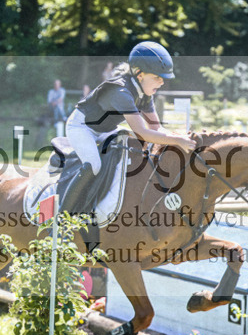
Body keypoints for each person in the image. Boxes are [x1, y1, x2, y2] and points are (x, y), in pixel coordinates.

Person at [62, 41, 196, 213]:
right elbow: (142, 132)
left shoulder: (145, 93)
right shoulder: (121, 91)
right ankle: (62, 218)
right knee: (94, 165)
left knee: (134, 153)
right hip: (82, 127)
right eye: (157, 77)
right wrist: (176, 140)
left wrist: (181, 137)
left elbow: (155, 128)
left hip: (107, 130)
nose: (161, 82)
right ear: (139, 74)